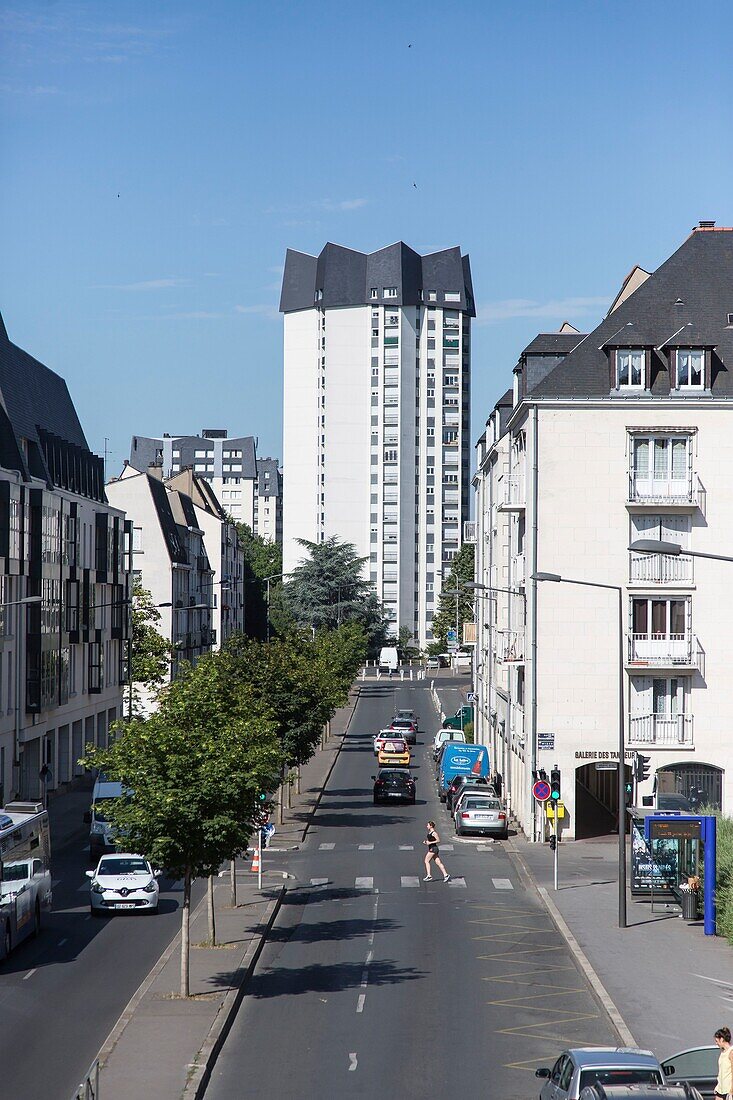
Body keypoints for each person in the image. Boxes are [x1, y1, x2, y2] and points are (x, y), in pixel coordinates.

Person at [713, 1026, 732, 1099]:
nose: (716, 1043)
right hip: (720, 1089)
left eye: (717, 1041)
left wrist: (731, 1091)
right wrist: (718, 1086)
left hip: (728, 1090)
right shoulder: (723, 1052)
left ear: (722, 1039)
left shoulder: (731, 1052)